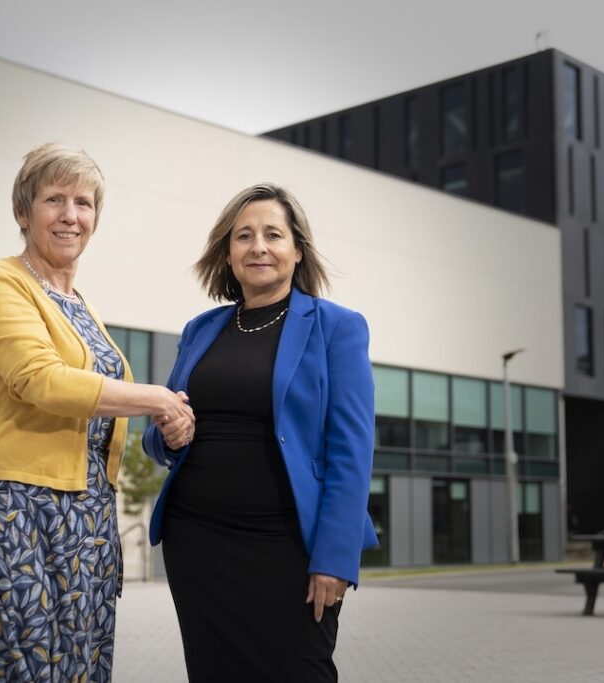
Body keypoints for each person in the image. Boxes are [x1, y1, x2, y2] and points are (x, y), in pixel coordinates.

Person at [0, 143, 194, 682]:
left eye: (84, 203)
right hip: (17, 512)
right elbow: (39, 380)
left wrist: (171, 418)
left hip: (90, 519)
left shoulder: (80, 305)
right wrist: (157, 400)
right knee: (32, 674)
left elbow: (103, 401)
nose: (71, 215)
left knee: (86, 672)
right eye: (54, 199)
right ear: (24, 212)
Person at [143, 183, 378, 682]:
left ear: (297, 251)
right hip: (198, 543)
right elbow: (161, 429)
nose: (259, 246)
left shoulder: (337, 327)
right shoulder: (201, 329)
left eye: (274, 234)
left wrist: (335, 558)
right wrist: (167, 434)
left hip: (289, 547)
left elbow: (351, 450)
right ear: (227, 254)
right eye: (243, 236)